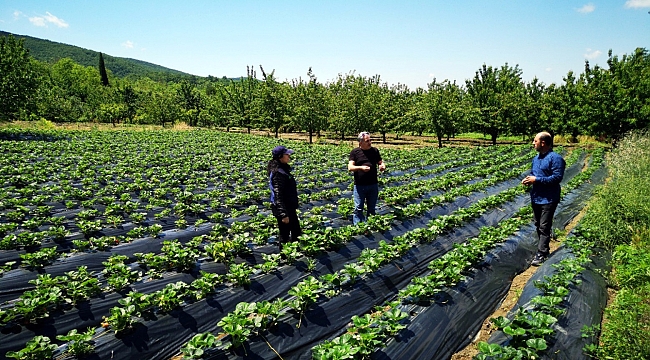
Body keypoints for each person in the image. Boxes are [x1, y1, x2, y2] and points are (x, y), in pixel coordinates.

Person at [521, 131, 566, 266]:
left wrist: (537, 179)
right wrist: (530, 180)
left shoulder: (555, 158)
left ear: (543, 143)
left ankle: (542, 253)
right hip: (536, 197)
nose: (533, 143)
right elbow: (535, 174)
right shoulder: (536, 158)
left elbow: (557, 178)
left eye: (535, 141)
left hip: (549, 198)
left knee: (544, 226)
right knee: (538, 224)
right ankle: (543, 250)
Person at [348, 132, 386, 224]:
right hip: (360, 186)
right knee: (358, 208)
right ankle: (358, 228)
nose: (370, 142)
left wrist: (382, 166)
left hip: (373, 184)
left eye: (370, 140)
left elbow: (380, 162)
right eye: (367, 141)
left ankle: (370, 225)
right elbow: (350, 167)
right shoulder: (355, 152)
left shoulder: (375, 151)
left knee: (371, 208)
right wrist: (361, 168)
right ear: (360, 142)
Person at [268, 145, 301, 247]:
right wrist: (283, 214)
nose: (289, 156)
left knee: (296, 231)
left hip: (288, 207)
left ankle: (293, 253)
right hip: (283, 208)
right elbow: (278, 195)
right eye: (287, 154)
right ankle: (285, 257)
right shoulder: (278, 173)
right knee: (285, 235)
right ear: (280, 156)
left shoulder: (283, 169)